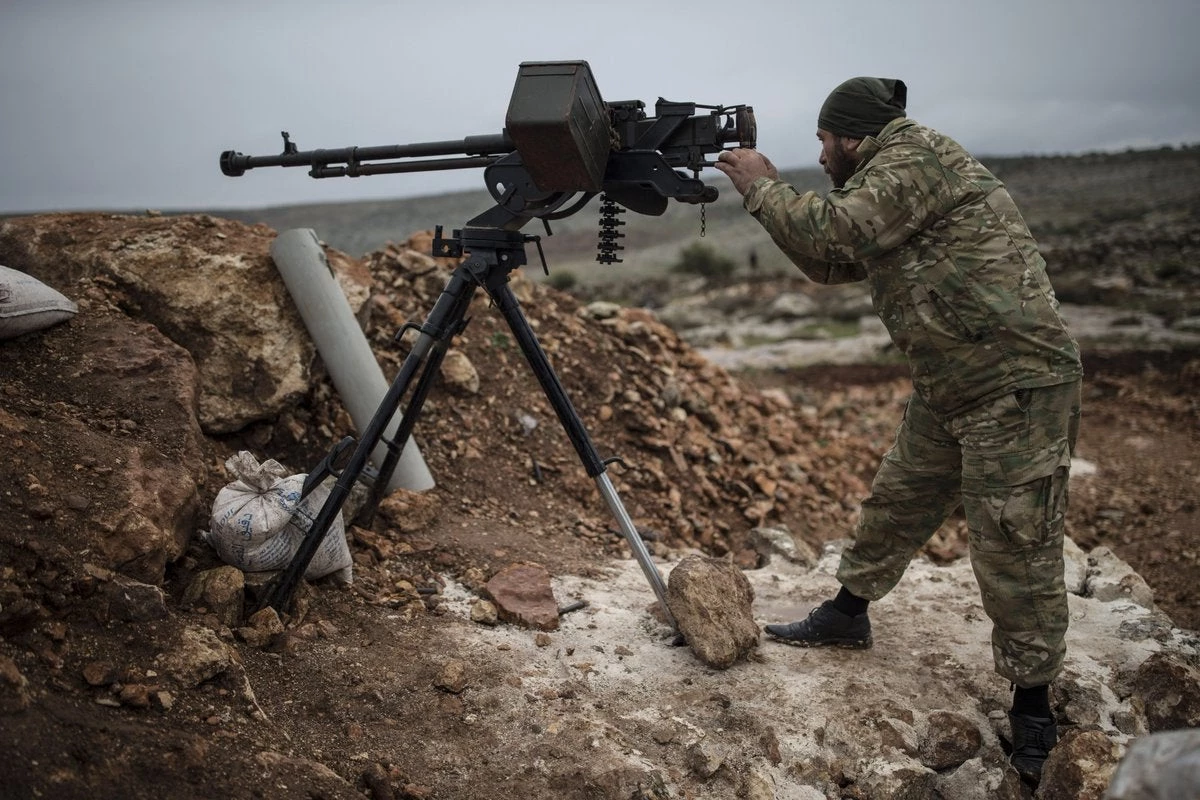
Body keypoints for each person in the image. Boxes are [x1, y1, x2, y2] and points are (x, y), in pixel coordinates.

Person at [714, 77, 1083, 785]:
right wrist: (762, 200)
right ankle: (848, 614)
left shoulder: (912, 162)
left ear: (853, 137)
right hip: (954, 380)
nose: (819, 156)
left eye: (824, 142)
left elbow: (838, 230)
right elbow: (830, 261)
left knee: (1015, 545)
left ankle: (1034, 710)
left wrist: (762, 187)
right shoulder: (888, 180)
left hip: (1015, 382)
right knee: (899, 499)